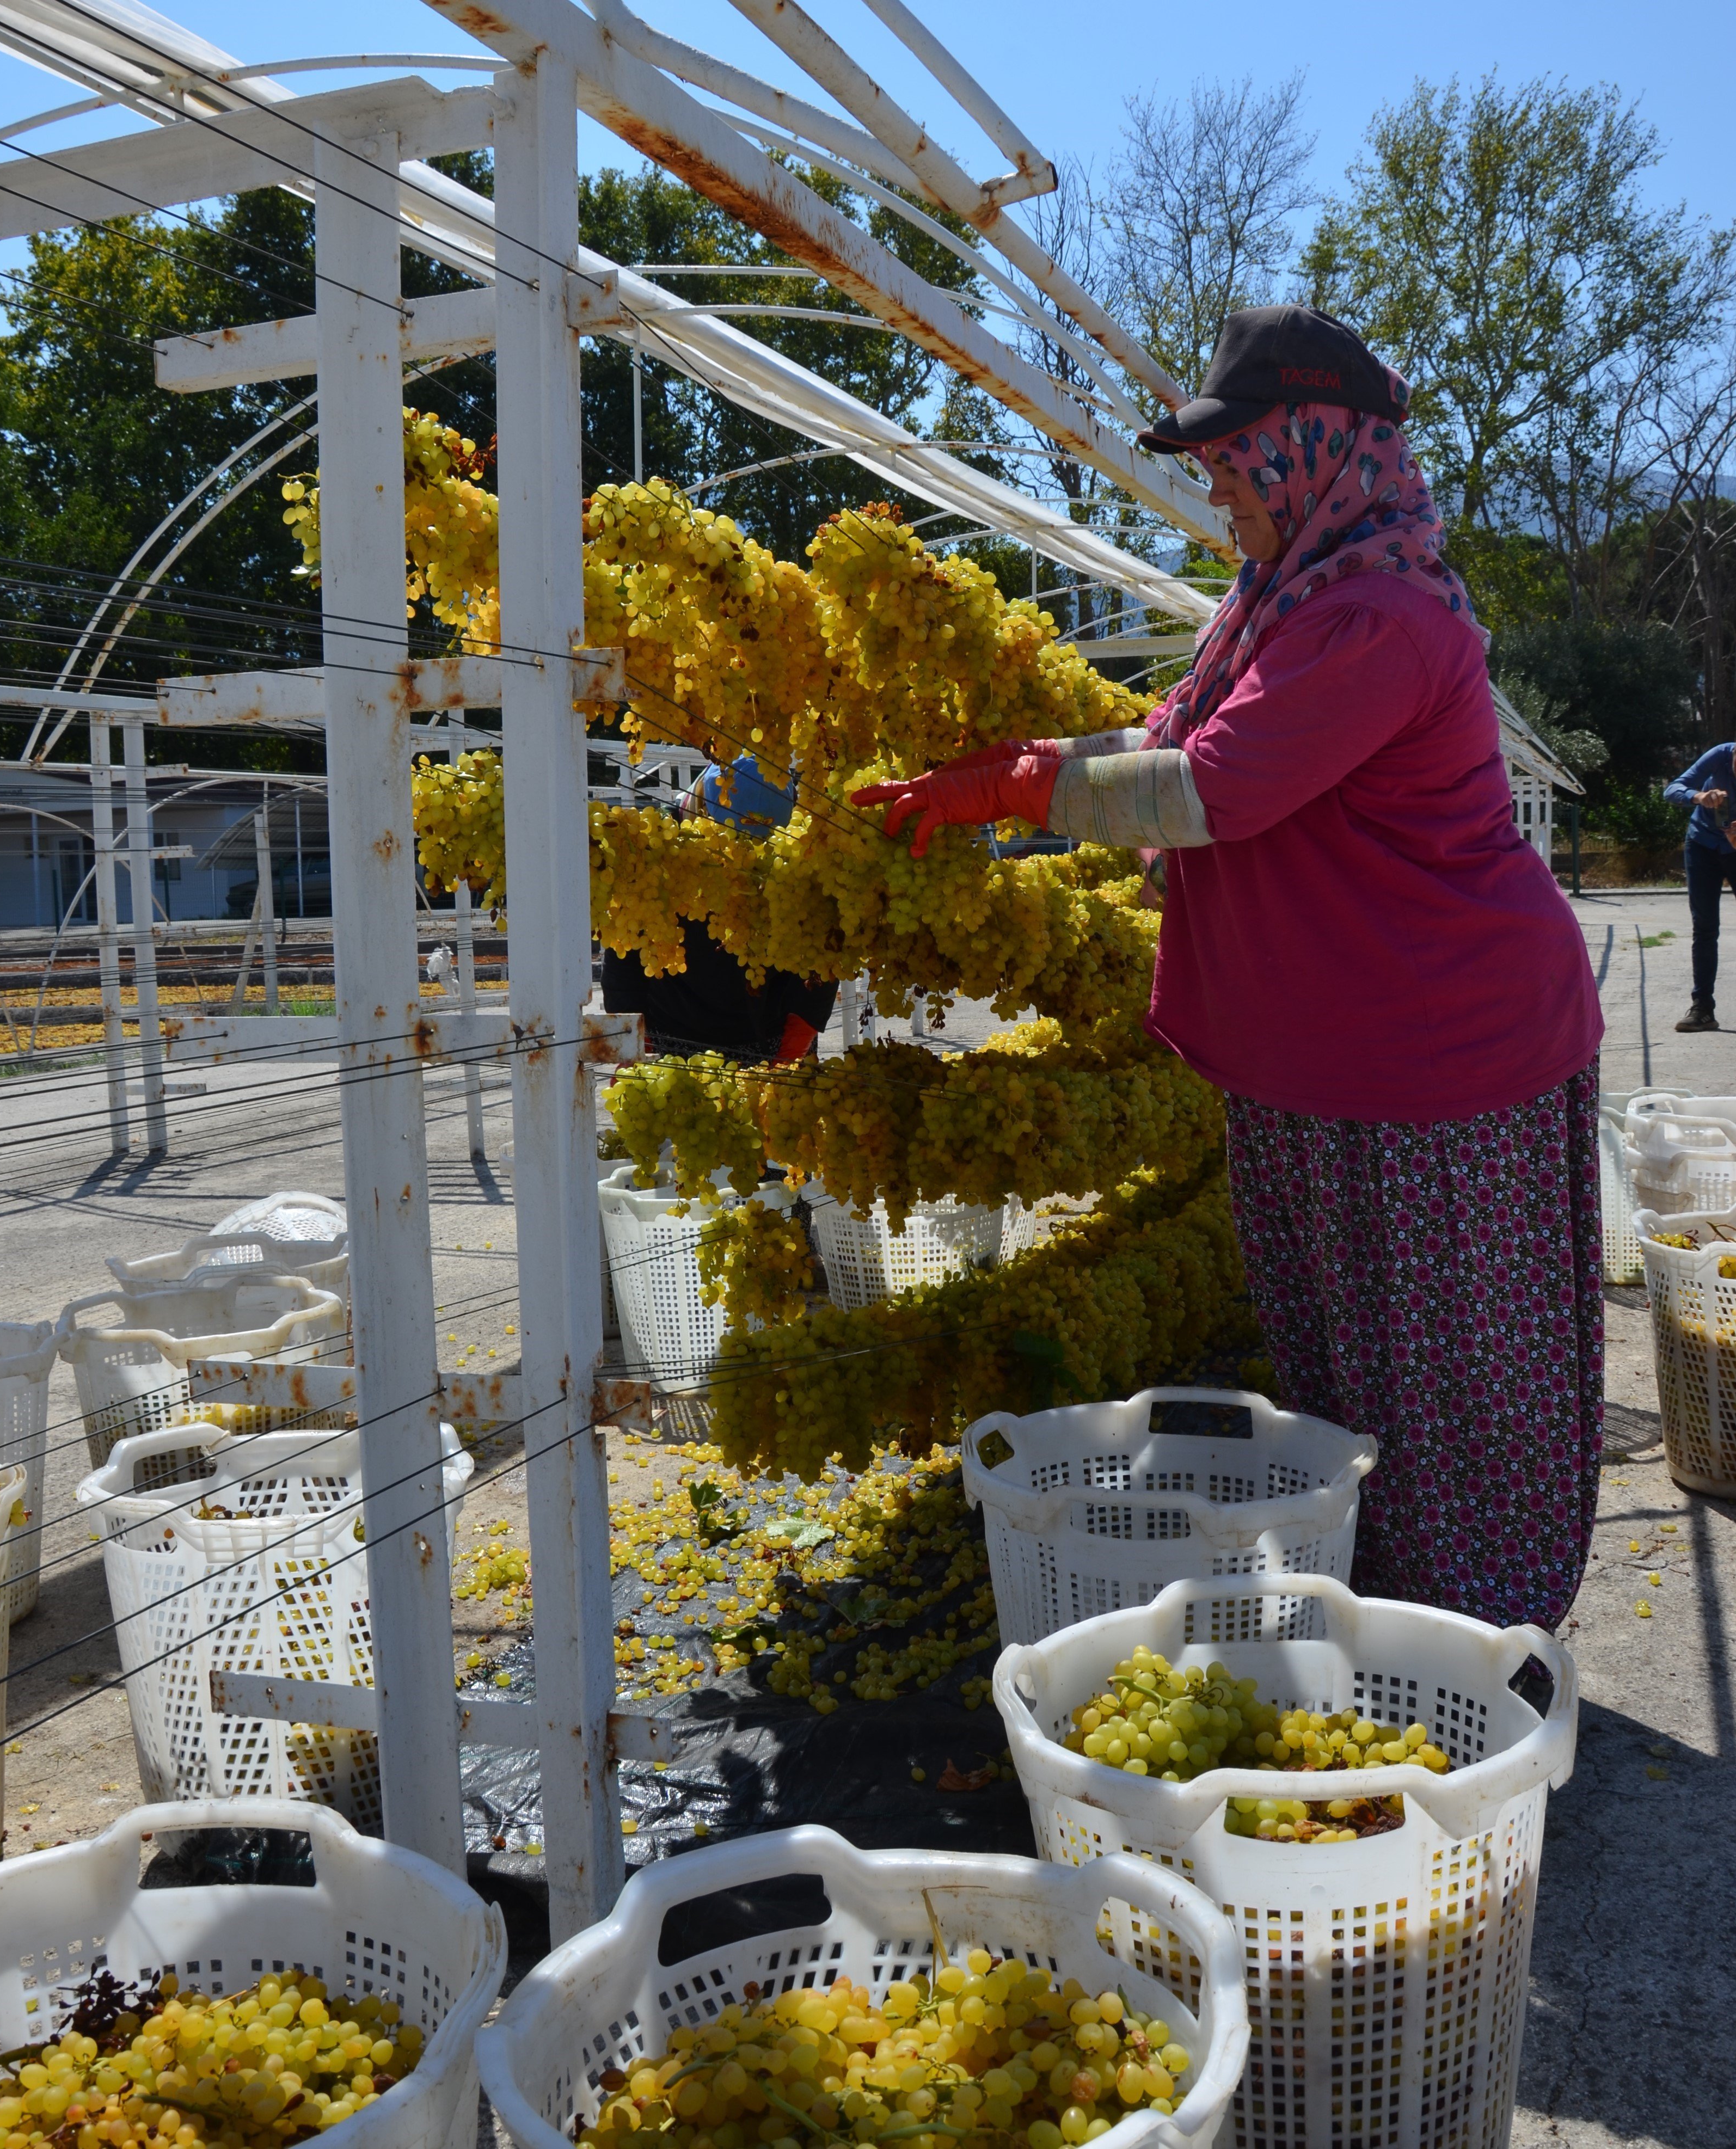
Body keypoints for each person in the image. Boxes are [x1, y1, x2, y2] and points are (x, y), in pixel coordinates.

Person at [857, 305, 1605, 1635]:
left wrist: (1013, 791)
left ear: (1313, 452)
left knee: (1449, 1385)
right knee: (1348, 1380)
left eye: (1232, 463)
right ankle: (1395, 1632)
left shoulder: (1374, 619)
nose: (1216, 494)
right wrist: (1008, 768)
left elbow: (1205, 790)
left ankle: (1485, 1661)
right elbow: (1164, 741)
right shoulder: (1275, 610)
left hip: (1443, 1066)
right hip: (1330, 1066)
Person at [602, 754, 838, 1062]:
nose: (747, 863)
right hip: (672, 1041)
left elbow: (822, 948)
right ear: (703, 813)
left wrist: (797, 1039)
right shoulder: (654, 849)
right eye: (735, 846)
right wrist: (631, 1044)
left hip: (771, 1037)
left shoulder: (801, 856)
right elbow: (623, 958)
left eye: (761, 852)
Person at [1661, 741, 1736, 1031]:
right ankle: (1703, 1008)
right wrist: (1699, 796)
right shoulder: (1719, 755)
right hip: (1702, 844)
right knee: (1704, 927)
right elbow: (1673, 789)